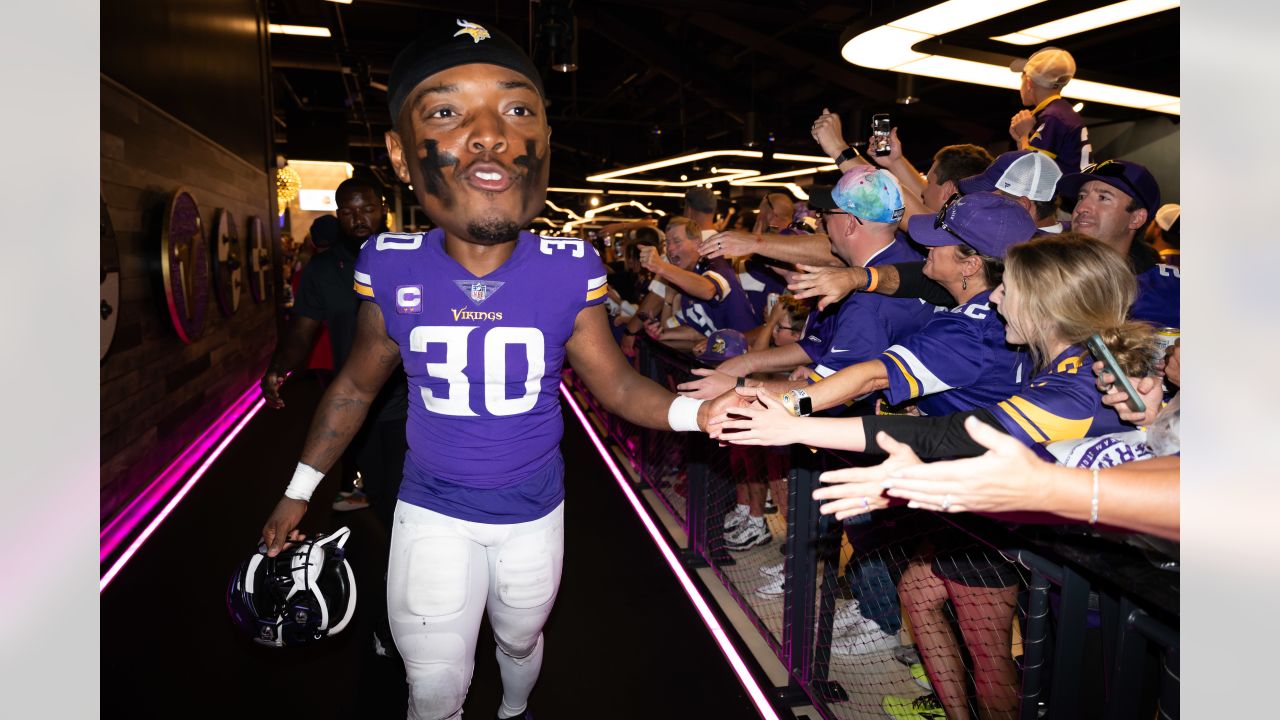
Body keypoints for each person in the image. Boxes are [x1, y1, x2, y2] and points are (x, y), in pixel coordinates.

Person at [257, 23, 736, 720]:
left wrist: (702, 412)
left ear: (543, 141)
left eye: (516, 110)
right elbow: (357, 384)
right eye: (448, 112)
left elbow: (619, 384)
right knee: (433, 686)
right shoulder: (389, 262)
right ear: (399, 151)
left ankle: (515, 712)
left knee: (518, 642)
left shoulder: (573, 268)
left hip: (533, 509)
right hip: (431, 508)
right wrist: (298, 491)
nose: (489, 135)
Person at [262, 180, 410, 528]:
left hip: (416, 400)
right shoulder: (323, 269)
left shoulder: (410, 258)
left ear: (383, 208)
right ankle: (400, 568)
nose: (358, 218)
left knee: (415, 496)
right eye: (347, 212)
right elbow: (302, 331)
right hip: (361, 401)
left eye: (367, 209)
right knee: (382, 494)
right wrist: (279, 366)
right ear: (338, 215)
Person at [1009, 47, 1091, 175]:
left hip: (1064, 193)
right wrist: (1021, 139)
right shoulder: (1061, 112)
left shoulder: (1052, 117)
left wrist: (1024, 135)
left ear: (1029, 83)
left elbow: (1031, 172)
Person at [957, 149, 1065, 233]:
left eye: (988, 199)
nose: (980, 205)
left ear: (1022, 206)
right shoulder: (1072, 241)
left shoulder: (1019, 255)